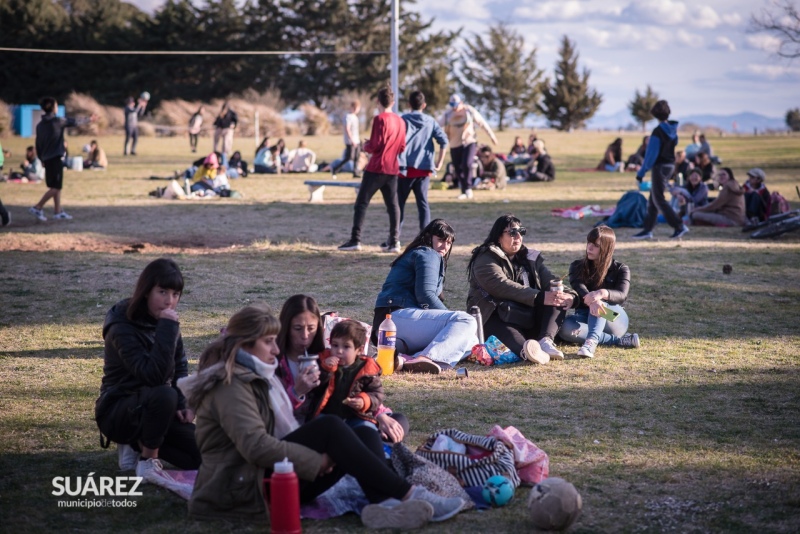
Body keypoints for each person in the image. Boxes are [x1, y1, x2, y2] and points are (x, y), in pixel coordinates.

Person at [180, 303, 464, 526]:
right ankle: (407, 495)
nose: (277, 348)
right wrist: (317, 459)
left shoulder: (256, 373)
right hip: (242, 489)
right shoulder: (231, 386)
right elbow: (256, 446)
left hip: (264, 477)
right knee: (331, 429)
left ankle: (384, 504)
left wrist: (375, 414)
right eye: (269, 341)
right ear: (244, 344)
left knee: (355, 431)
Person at [94, 258, 201, 486]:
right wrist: (166, 328)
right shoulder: (121, 325)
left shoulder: (167, 322)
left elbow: (180, 365)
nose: (169, 301)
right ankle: (147, 460)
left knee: (203, 456)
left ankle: (139, 442)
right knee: (164, 393)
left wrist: (183, 404)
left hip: (158, 411)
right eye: (162, 292)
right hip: (119, 410)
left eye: (175, 294)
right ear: (145, 291)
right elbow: (153, 376)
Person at [276, 295, 408, 444]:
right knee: (345, 429)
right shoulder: (277, 363)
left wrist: (380, 416)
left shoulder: (327, 357)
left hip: (346, 419)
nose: (305, 336)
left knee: (397, 421)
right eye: (298, 328)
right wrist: (297, 392)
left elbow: (356, 387)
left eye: (311, 329)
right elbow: (273, 413)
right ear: (286, 327)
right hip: (304, 429)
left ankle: (369, 446)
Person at [467, 214, 578, 364]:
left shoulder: (529, 257)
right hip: (497, 316)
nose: (518, 236)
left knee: (557, 296)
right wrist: (538, 297)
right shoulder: (485, 258)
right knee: (518, 345)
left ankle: (545, 340)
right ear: (498, 236)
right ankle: (530, 351)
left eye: (521, 232)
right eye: (512, 232)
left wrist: (571, 296)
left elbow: (550, 281)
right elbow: (501, 285)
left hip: (525, 314)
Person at [374, 219, 478, 374]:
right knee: (465, 320)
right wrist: (449, 318)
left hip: (395, 330)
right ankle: (426, 357)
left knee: (471, 341)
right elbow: (426, 295)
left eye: (449, 243)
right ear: (429, 237)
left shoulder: (422, 253)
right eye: (441, 240)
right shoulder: (427, 253)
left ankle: (404, 361)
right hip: (394, 319)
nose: (445, 246)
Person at [338, 85, 406, 253]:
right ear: (393, 101)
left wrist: (365, 146)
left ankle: (355, 239)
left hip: (376, 167)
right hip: (392, 168)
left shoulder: (379, 119)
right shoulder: (400, 120)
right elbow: (402, 146)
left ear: (377, 101)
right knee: (393, 206)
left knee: (361, 203)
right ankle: (394, 241)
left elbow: (376, 145)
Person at [560, 226, 640, 358]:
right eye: (589, 243)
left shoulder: (621, 269)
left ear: (607, 248)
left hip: (613, 318)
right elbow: (578, 286)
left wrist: (602, 293)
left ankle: (590, 343)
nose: (589, 248)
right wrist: (592, 299)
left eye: (596, 245)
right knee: (564, 327)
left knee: (600, 304)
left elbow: (621, 295)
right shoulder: (577, 266)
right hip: (585, 316)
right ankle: (619, 341)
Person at [29, 97, 95, 222]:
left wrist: (41, 158)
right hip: (55, 158)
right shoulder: (58, 121)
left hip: (46, 158)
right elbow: (74, 122)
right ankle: (37, 207)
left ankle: (58, 211)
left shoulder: (40, 125)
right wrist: (89, 119)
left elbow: (38, 143)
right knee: (56, 187)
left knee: (55, 185)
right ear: (53, 108)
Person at [632, 100, 689, 240]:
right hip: (670, 165)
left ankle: (679, 226)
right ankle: (648, 229)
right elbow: (674, 144)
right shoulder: (673, 129)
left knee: (659, 199)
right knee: (654, 198)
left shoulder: (657, 132)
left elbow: (651, 156)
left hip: (660, 167)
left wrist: (641, 173)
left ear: (655, 115)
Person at [397, 90, 448, 241]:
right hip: (424, 169)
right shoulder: (430, 121)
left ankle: (394, 238)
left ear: (408, 105)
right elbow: (444, 141)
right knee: (423, 204)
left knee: (399, 205)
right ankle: (426, 237)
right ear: (424, 105)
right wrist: (439, 162)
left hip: (405, 169)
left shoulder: (403, 120)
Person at [439, 94, 497, 200]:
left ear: (461, 102)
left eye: (456, 104)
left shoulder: (469, 111)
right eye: (452, 104)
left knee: (467, 164)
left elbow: (482, 123)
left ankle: (468, 187)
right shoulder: (448, 114)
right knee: (456, 167)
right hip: (454, 144)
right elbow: (438, 126)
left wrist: (492, 136)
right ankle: (464, 190)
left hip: (469, 142)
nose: (454, 107)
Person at [331, 100, 361, 179]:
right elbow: (347, 129)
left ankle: (355, 172)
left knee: (357, 157)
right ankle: (335, 169)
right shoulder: (348, 116)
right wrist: (351, 140)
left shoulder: (355, 117)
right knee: (348, 157)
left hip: (357, 139)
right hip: (350, 141)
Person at [213, 101, 238, 165]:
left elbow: (235, 119)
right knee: (216, 139)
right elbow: (217, 121)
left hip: (228, 129)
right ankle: (215, 151)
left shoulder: (231, 113)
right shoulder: (221, 113)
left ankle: (225, 152)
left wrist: (234, 124)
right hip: (221, 128)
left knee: (226, 141)